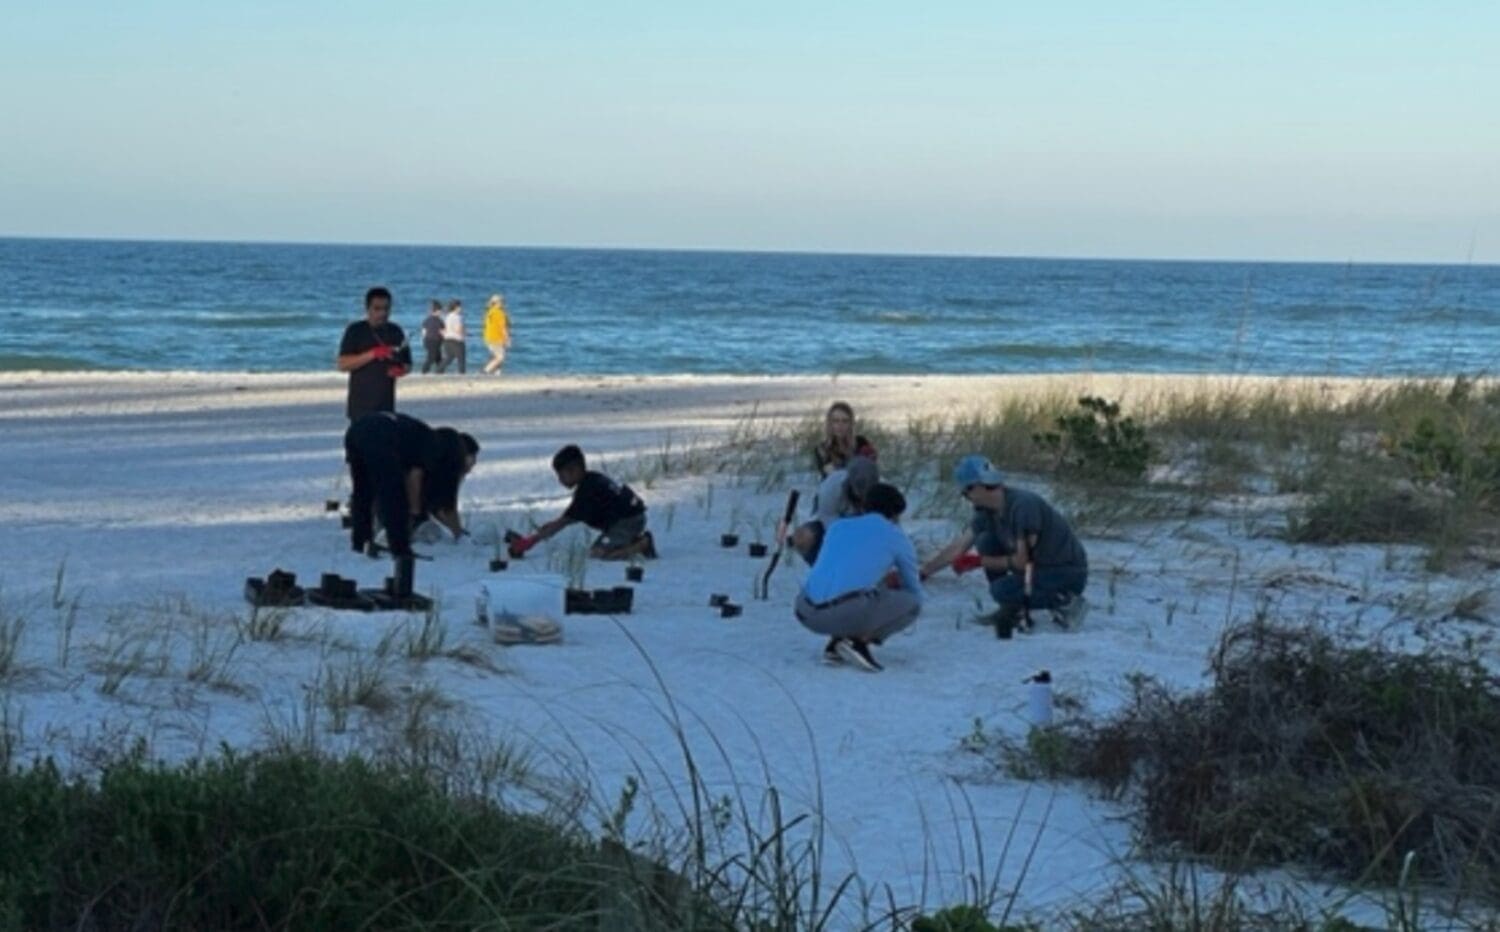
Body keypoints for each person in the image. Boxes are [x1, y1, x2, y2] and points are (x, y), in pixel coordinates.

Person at [920, 455, 1089, 636]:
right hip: (1036, 568)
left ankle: (1065, 600)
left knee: (1001, 590)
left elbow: (1022, 562)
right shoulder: (988, 512)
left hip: (1064, 572)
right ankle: (1012, 608)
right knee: (985, 540)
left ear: (978, 486)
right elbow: (959, 546)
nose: (966, 497)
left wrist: (978, 561)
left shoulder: (1023, 506)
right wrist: (923, 572)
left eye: (966, 491)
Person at [794, 482, 924, 672]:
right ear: (896, 515)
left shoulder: (838, 526)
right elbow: (913, 585)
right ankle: (858, 641)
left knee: (859, 591)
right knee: (912, 603)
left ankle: (836, 644)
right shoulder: (895, 537)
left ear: (863, 506)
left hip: (804, 610)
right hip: (842, 613)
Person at [344, 412, 480, 558]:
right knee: (392, 495)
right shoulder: (432, 446)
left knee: (363, 492)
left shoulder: (423, 435)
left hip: (357, 431)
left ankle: (360, 542)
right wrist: (414, 512)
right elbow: (415, 477)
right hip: (381, 437)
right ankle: (400, 551)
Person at [508, 444, 657, 561]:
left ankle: (642, 544)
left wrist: (529, 542)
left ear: (574, 470)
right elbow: (565, 519)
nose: (560, 480)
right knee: (601, 547)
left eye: (561, 475)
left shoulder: (587, 491)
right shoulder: (591, 479)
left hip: (628, 521)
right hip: (632, 516)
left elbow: (562, 522)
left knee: (599, 553)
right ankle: (630, 540)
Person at [335, 287, 411, 421]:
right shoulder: (356, 330)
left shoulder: (396, 331)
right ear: (367, 308)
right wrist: (373, 354)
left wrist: (400, 370)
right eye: (377, 309)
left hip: (386, 405)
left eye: (386, 309)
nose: (382, 313)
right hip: (360, 407)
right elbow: (342, 364)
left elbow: (407, 364)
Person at [792, 455, 878, 565]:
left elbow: (890, 528)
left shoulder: (884, 493)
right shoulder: (830, 487)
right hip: (836, 529)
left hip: (868, 533)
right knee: (803, 537)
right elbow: (830, 524)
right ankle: (825, 573)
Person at [813, 401, 877, 477]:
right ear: (830, 423)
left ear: (851, 424)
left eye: (845, 421)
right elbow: (832, 476)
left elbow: (871, 469)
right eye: (836, 421)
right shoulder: (822, 449)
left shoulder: (861, 442)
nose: (840, 425)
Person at [482, 294, 511, 375]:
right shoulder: (500, 313)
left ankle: (497, 374)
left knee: (496, 356)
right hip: (497, 338)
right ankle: (486, 370)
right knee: (500, 357)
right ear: (497, 303)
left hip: (488, 338)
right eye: (502, 302)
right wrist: (508, 339)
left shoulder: (489, 312)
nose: (503, 303)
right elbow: (503, 328)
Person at [439, 299, 467, 374]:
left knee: (449, 358)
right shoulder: (458, 317)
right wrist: (465, 333)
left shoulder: (447, 316)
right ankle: (462, 374)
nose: (461, 308)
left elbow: (445, 328)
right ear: (456, 307)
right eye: (460, 307)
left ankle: (439, 370)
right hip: (457, 340)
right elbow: (459, 329)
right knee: (461, 359)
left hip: (447, 340)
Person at [420, 299, 445, 374]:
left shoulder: (427, 320)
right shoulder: (439, 321)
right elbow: (442, 332)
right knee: (431, 357)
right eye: (440, 311)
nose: (441, 312)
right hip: (435, 341)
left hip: (428, 340)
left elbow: (423, 332)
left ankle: (440, 371)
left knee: (438, 357)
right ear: (437, 311)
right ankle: (424, 370)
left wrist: (423, 341)